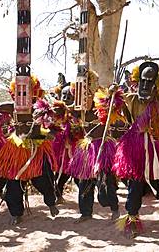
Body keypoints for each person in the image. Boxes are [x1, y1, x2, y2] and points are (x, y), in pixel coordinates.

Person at [112, 61, 159, 238]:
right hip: (135, 147)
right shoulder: (130, 98)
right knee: (135, 183)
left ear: (156, 84)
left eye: (150, 82)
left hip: (157, 145)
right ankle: (132, 219)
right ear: (138, 81)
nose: (146, 85)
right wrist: (112, 95)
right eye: (143, 81)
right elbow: (114, 111)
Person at [0, 75, 59, 225]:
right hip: (16, 148)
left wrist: (50, 133)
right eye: (20, 91)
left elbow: (54, 124)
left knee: (44, 179)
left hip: (36, 148)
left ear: (34, 91)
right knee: (14, 182)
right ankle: (16, 213)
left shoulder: (40, 107)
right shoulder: (10, 106)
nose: (23, 94)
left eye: (27, 90)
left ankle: (51, 203)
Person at [69, 71, 120, 223]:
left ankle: (114, 208)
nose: (86, 98)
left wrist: (112, 94)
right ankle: (85, 213)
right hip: (86, 149)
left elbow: (115, 103)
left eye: (88, 94)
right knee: (84, 182)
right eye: (82, 95)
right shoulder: (79, 110)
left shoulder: (104, 105)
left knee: (106, 181)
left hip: (103, 147)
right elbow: (65, 110)